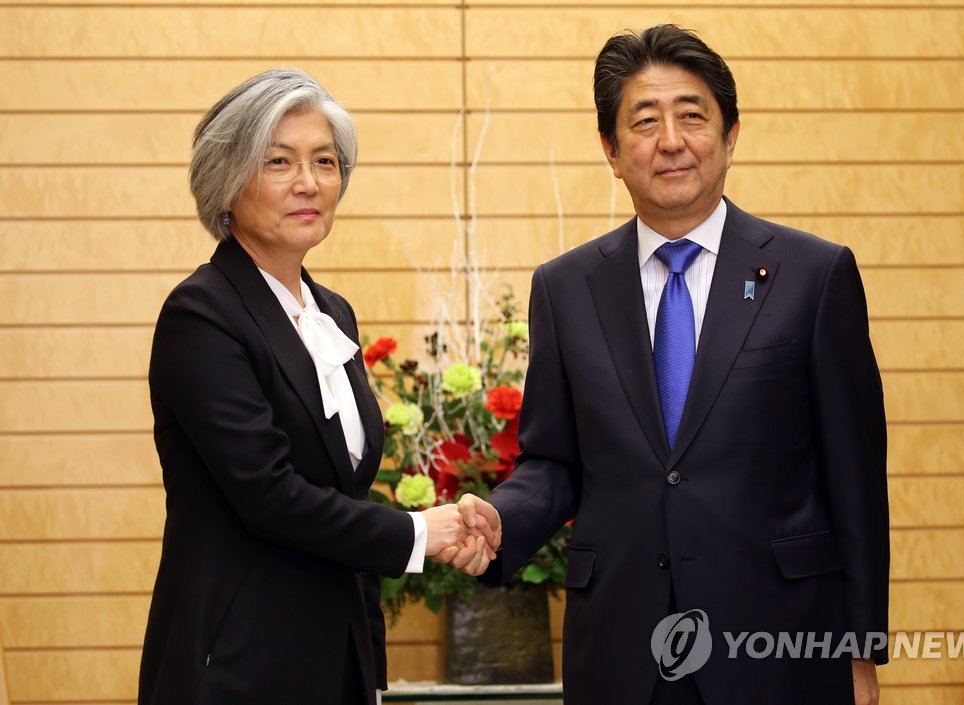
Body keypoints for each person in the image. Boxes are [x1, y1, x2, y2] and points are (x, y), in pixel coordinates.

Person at [458, 25, 889, 705]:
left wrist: (860, 648)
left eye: (692, 116)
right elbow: (553, 462)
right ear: (611, 150)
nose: (670, 140)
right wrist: (500, 519)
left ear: (730, 135)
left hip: (777, 645)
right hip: (622, 649)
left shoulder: (813, 275)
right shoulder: (566, 288)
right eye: (644, 121)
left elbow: (855, 477)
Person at [138, 68, 490, 705]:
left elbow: (342, 486)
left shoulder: (332, 313)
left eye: (324, 161)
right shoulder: (202, 315)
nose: (309, 182)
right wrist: (418, 533)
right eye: (279, 161)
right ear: (227, 181)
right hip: (238, 666)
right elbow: (268, 494)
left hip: (338, 656)